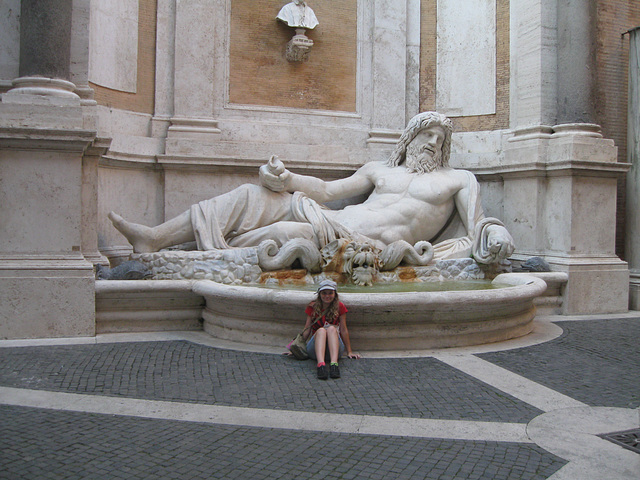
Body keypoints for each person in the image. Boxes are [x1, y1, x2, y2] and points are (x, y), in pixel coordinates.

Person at [108, 111, 514, 265]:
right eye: (427, 134)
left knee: (287, 234)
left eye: (441, 138)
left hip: (360, 245)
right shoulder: (379, 169)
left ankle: (202, 250)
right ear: (409, 138)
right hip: (330, 219)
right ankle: (154, 238)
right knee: (253, 195)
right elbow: (326, 190)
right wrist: (287, 181)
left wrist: (497, 235)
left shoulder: (458, 179)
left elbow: (478, 225)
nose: (433, 142)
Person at [302, 279, 360, 379]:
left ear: (335, 294)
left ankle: (334, 365)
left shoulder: (340, 306)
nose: (327, 296)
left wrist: (349, 351)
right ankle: (321, 365)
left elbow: (343, 329)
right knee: (321, 331)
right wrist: (296, 347)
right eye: (324, 293)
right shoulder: (313, 306)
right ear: (319, 294)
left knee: (332, 329)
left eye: (330, 293)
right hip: (315, 351)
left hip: (335, 351)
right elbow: (307, 329)